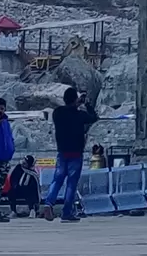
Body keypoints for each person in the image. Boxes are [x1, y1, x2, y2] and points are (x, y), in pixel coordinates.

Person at [42, 86, 98, 223]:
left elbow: (67, 110)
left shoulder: (57, 113)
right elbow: (94, 118)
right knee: (71, 184)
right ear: (75, 99)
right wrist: (86, 104)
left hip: (62, 152)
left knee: (57, 179)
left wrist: (75, 104)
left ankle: (48, 203)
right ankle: (66, 212)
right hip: (76, 153)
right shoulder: (80, 115)